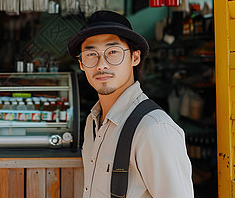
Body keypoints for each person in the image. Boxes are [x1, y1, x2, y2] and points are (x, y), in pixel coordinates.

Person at [67, 10, 193, 198]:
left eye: (113, 52)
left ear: (135, 57)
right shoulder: (92, 123)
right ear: (81, 64)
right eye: (91, 54)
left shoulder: (153, 128)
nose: (102, 64)